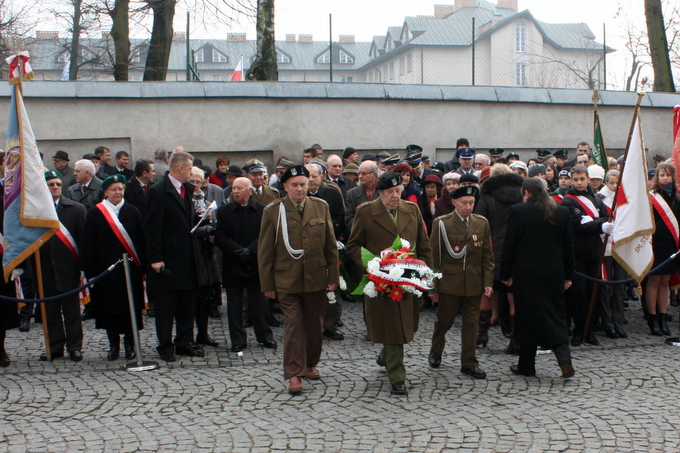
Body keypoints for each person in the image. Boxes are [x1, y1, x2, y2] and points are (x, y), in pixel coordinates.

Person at [347, 172, 433, 395]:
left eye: (398, 191)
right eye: (390, 192)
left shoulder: (412, 210)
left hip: (408, 279)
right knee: (393, 327)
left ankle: (386, 356)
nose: (395, 196)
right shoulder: (366, 212)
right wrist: (372, 264)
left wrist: (428, 273)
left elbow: (424, 244)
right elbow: (353, 245)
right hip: (380, 282)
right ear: (380, 193)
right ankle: (397, 376)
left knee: (407, 326)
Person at [258, 165, 339, 394]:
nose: (300, 189)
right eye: (294, 185)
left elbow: (330, 244)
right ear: (284, 187)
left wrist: (332, 275)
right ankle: (294, 374)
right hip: (287, 279)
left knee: (315, 325)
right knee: (293, 326)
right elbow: (265, 251)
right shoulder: (274, 211)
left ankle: (310, 364)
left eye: (303, 184)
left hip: (315, 277)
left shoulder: (320, 207)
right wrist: (267, 285)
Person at [501, 178, 576, 378]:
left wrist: (505, 274)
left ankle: (527, 366)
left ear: (526, 193)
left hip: (526, 274)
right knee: (556, 316)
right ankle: (564, 361)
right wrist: (569, 275)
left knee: (527, 318)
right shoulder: (561, 212)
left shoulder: (518, 211)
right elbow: (568, 247)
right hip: (553, 273)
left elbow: (510, 245)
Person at [428, 185, 493, 380]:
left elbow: (487, 255)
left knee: (471, 325)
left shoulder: (481, 223)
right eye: (464, 203)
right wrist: (433, 286)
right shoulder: (442, 223)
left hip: (473, 282)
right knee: (444, 321)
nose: (468, 207)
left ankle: (469, 362)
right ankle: (436, 350)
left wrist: (488, 281)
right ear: (454, 202)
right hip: (449, 282)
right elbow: (434, 255)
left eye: (471, 203)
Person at [145, 151, 204, 362]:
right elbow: (152, 229)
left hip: (188, 259)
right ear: (180, 168)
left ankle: (184, 342)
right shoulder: (158, 192)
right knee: (166, 308)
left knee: (187, 305)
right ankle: (165, 346)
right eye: (189, 169)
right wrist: (155, 258)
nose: (191, 172)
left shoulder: (187, 190)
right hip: (168, 260)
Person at [82, 174, 146, 361]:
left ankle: (130, 344)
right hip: (106, 272)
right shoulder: (96, 213)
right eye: (114, 189)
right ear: (105, 192)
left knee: (130, 308)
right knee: (108, 309)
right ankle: (113, 345)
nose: (118, 192)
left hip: (130, 270)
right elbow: (88, 245)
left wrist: (144, 268)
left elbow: (141, 241)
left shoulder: (133, 211)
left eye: (121, 188)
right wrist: (91, 273)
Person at [215, 177, 276, 352]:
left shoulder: (262, 210)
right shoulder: (224, 211)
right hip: (233, 262)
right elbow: (220, 236)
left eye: (240, 188)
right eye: (233, 188)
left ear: (249, 191)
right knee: (234, 305)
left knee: (260, 304)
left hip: (256, 262)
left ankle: (265, 336)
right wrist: (237, 250)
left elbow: (266, 235)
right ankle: (238, 339)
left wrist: (250, 250)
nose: (235, 191)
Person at [561, 165, 612, 346]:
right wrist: (597, 225)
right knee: (579, 294)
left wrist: (593, 221)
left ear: (588, 179)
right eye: (575, 179)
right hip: (577, 253)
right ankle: (578, 330)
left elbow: (607, 218)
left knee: (594, 293)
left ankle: (589, 330)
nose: (579, 183)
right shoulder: (568, 201)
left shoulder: (596, 200)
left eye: (582, 179)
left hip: (595, 253)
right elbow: (577, 224)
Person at [474, 163, 523, 349]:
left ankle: (482, 335)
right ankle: (515, 339)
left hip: (491, 251)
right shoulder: (521, 194)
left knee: (486, 292)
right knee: (513, 297)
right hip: (516, 252)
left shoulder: (486, 196)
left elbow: (479, 222)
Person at [39, 170, 87, 362]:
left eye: (58, 184)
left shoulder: (76, 209)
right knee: (49, 311)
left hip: (69, 268)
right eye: (51, 184)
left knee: (72, 311)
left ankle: (74, 347)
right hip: (44, 268)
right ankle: (54, 346)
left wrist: (83, 267)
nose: (55, 187)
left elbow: (83, 241)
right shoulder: (35, 213)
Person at [188, 167, 223, 347]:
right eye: (192, 181)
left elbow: (214, 223)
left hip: (206, 254)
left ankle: (203, 333)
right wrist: (203, 228)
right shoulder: (184, 202)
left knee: (204, 298)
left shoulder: (206, 200)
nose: (195, 185)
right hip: (191, 254)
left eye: (198, 181)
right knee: (191, 299)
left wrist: (212, 229)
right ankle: (188, 336)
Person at [646, 163, 680, 336]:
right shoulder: (652, 197)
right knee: (654, 281)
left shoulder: (676, 197)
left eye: (668, 175)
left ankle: (663, 316)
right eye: (662, 175)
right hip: (655, 243)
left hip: (671, 244)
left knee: (665, 281)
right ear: (656, 178)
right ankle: (652, 318)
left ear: (673, 177)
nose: (665, 178)